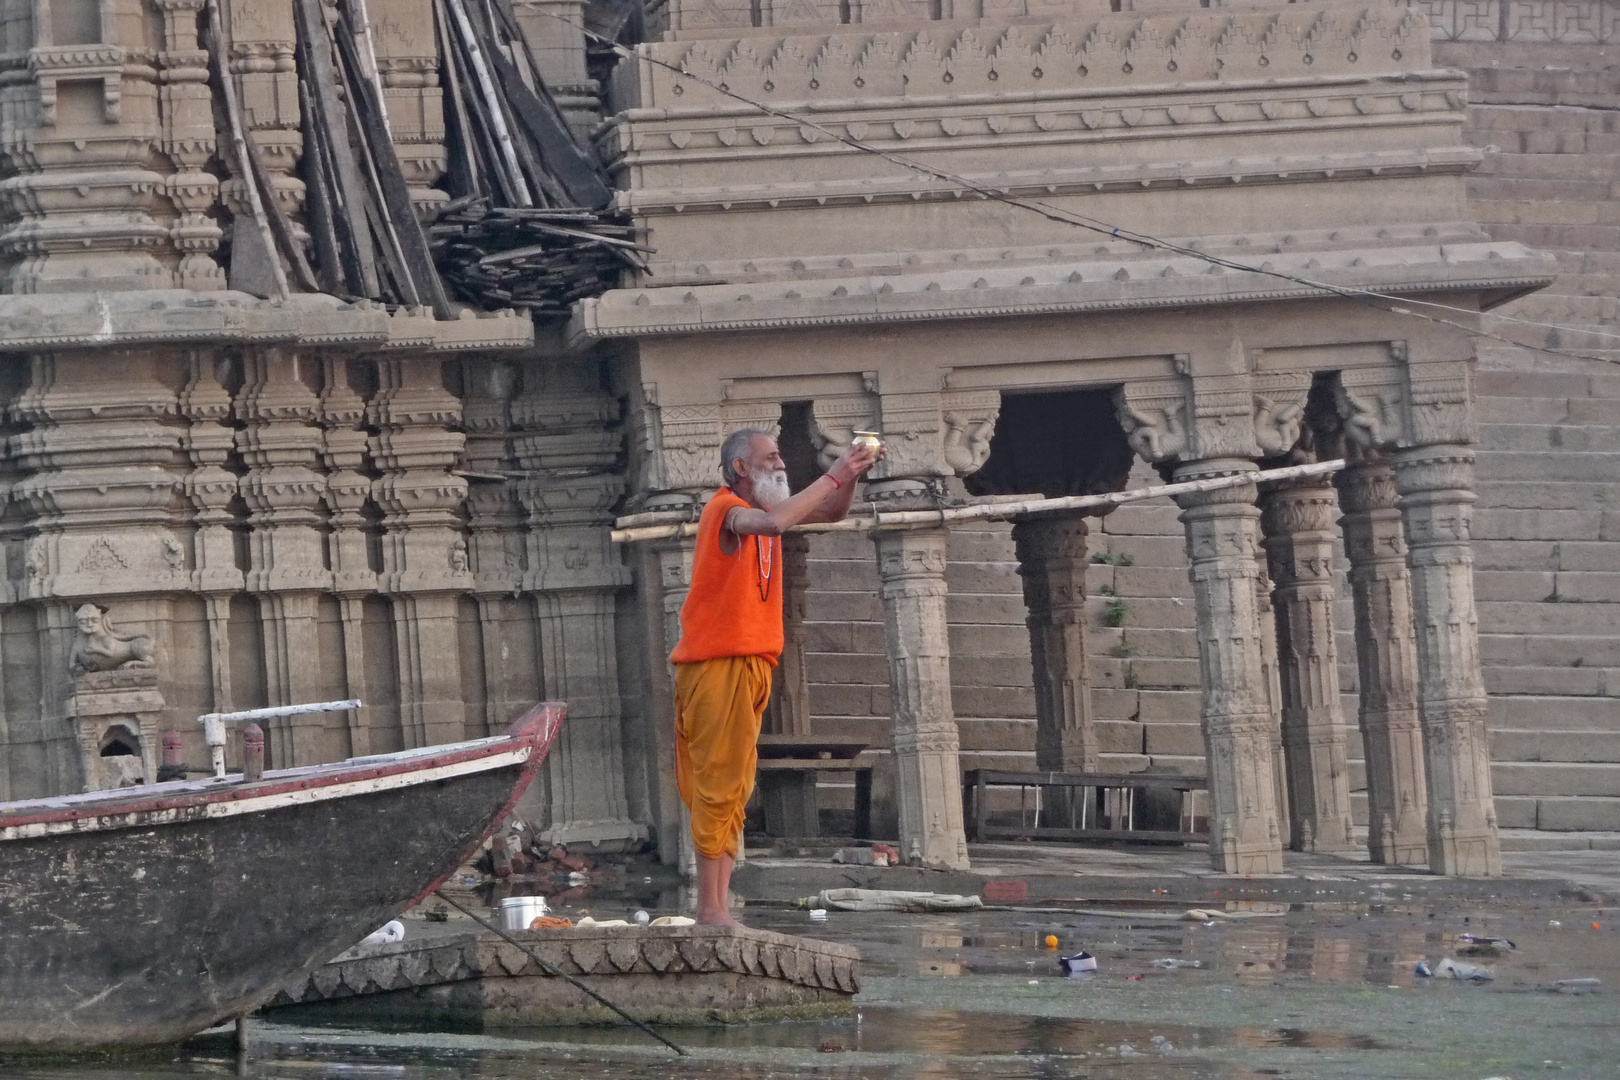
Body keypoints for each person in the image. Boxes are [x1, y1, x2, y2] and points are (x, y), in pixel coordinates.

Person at [670, 427, 881, 925]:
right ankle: (709, 908)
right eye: (770, 458)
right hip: (715, 664)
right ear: (741, 468)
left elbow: (833, 512)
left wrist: (851, 476)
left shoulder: (770, 512)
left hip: (753, 662)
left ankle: (718, 906)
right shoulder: (725, 509)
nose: (780, 464)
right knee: (716, 787)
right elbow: (770, 525)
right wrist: (835, 472)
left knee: (736, 788)